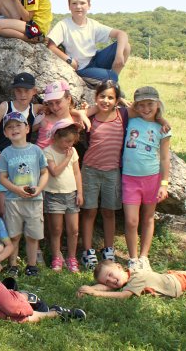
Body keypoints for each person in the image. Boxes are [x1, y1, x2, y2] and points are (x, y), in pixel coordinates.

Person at [79, 80, 128, 269]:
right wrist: (83, 112)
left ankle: (109, 249)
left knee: (109, 211)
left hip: (112, 172)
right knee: (89, 210)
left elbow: (142, 111)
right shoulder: (91, 115)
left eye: (110, 97)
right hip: (90, 170)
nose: (106, 100)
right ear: (96, 97)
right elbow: (78, 113)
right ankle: (88, 250)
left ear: (117, 100)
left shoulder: (122, 115)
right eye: (102, 96)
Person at [122, 87, 171, 271]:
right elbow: (118, 103)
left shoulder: (163, 129)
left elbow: (165, 159)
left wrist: (164, 184)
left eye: (150, 104)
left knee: (148, 218)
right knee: (131, 221)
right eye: (141, 105)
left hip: (152, 178)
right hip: (129, 178)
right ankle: (132, 258)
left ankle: (144, 257)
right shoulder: (131, 119)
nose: (145, 108)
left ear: (157, 104)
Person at [0, 111, 49, 277]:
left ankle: (31, 265)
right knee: (14, 235)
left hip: (34, 200)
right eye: (10, 127)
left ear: (27, 128)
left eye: (18, 125)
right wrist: (16, 189)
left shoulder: (36, 151)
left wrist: (39, 189)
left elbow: (44, 172)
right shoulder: (6, 153)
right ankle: (13, 264)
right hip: (13, 201)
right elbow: (2, 177)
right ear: (5, 133)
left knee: (32, 235)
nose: (14, 129)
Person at [46, 0, 132, 85]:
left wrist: (119, 55)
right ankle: (112, 82)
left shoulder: (92, 24)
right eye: (74, 3)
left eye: (82, 3)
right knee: (112, 77)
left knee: (126, 46)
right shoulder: (63, 25)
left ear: (89, 5)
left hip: (94, 59)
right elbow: (50, 46)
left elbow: (121, 34)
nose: (78, 6)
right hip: (81, 67)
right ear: (69, 6)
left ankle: (111, 84)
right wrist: (69, 60)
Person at [0, 73, 42, 214]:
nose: (22, 94)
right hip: (2, 159)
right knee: (3, 205)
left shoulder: (35, 109)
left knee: (20, 197)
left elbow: (55, 109)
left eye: (27, 91)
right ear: (13, 91)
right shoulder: (5, 107)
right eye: (18, 90)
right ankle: (6, 234)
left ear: (34, 91)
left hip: (22, 160)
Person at [78, 257, 186, 301]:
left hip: (183, 284)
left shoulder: (136, 277)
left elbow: (123, 295)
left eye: (110, 275)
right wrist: (89, 288)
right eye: (106, 281)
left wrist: (96, 293)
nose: (111, 281)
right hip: (172, 277)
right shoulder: (125, 277)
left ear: (119, 266)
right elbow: (110, 287)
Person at [43, 120, 83, 273]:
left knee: (74, 229)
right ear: (56, 137)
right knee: (56, 229)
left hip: (71, 194)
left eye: (72, 142)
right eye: (66, 141)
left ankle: (72, 258)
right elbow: (54, 172)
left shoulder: (73, 152)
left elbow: (77, 173)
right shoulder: (48, 151)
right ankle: (56, 257)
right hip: (54, 196)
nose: (69, 145)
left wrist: (80, 192)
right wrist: (66, 158)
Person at [36, 81, 88, 150]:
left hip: (62, 159)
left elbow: (95, 109)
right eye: (50, 103)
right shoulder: (44, 118)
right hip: (40, 157)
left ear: (68, 99)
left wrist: (80, 114)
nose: (54, 107)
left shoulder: (75, 119)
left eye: (58, 102)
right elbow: (27, 127)